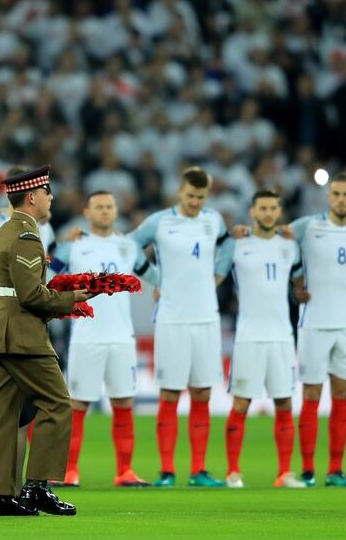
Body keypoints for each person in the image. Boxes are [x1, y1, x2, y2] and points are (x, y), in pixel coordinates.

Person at [0, 165, 89, 517]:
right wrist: (71, 299)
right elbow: (29, 295)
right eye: (47, 192)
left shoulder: (5, 231)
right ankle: (37, 487)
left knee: (3, 414)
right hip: (21, 335)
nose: (51, 197)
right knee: (57, 404)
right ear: (33, 196)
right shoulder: (26, 235)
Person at [130, 166, 231, 488]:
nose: (194, 203)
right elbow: (130, 244)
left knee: (202, 392)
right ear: (180, 192)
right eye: (190, 196)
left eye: (200, 197)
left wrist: (219, 273)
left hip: (207, 318)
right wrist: (154, 278)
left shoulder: (213, 219)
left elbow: (227, 246)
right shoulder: (161, 221)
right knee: (170, 393)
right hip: (172, 318)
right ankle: (167, 471)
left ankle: (199, 469)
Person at [49, 190, 157, 487]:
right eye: (99, 207)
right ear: (87, 212)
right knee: (78, 405)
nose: (105, 211)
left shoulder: (128, 246)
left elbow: (154, 276)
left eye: (110, 206)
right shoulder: (73, 246)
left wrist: (165, 287)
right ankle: (69, 470)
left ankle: (125, 471)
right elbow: (47, 276)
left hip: (122, 337)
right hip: (86, 337)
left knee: (123, 401)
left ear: (116, 210)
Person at [288, 173, 346, 487]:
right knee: (312, 395)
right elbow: (275, 236)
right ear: (328, 197)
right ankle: (309, 470)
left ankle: (335, 470)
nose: (340, 199)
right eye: (335, 193)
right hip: (313, 323)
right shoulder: (309, 226)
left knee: (342, 397)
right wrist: (297, 277)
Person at [215, 189, 307, 489]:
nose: (268, 213)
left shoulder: (289, 246)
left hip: (282, 337)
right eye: (262, 208)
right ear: (252, 211)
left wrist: (301, 291)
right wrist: (227, 234)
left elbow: (298, 282)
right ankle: (233, 472)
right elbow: (214, 266)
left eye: (273, 208)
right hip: (249, 337)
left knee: (284, 404)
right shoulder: (238, 244)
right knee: (241, 404)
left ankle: (284, 473)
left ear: (279, 212)